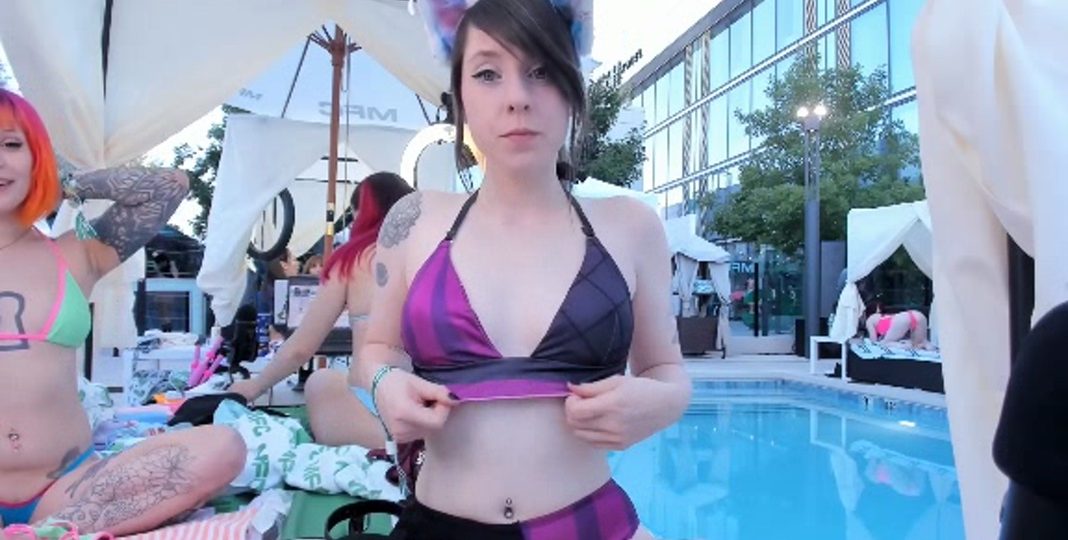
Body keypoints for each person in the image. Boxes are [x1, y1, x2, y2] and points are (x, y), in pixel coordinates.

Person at [354, 1, 691, 537]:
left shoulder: (631, 227)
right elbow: (376, 349)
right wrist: (384, 383)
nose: (517, 98)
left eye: (542, 71)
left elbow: (667, 373)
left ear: (573, 86)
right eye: (488, 73)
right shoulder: (414, 221)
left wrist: (658, 403)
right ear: (459, 93)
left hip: (587, 526)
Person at [0, 89, 245, 534]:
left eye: (12, 145)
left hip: (69, 487)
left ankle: (49, 528)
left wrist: (67, 183)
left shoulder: (75, 253)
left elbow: (170, 185)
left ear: (36, 157)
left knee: (224, 447)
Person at [230, 173, 412, 448]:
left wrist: (252, 387)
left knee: (321, 380)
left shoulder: (352, 262)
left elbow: (301, 348)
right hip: (431, 408)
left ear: (362, 212)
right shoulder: (437, 256)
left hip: (373, 409)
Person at [865, 304, 930, 348]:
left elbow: (873, 341)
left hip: (903, 319)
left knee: (884, 344)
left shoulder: (869, 320)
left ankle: (906, 345)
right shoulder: (884, 317)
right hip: (918, 315)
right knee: (919, 345)